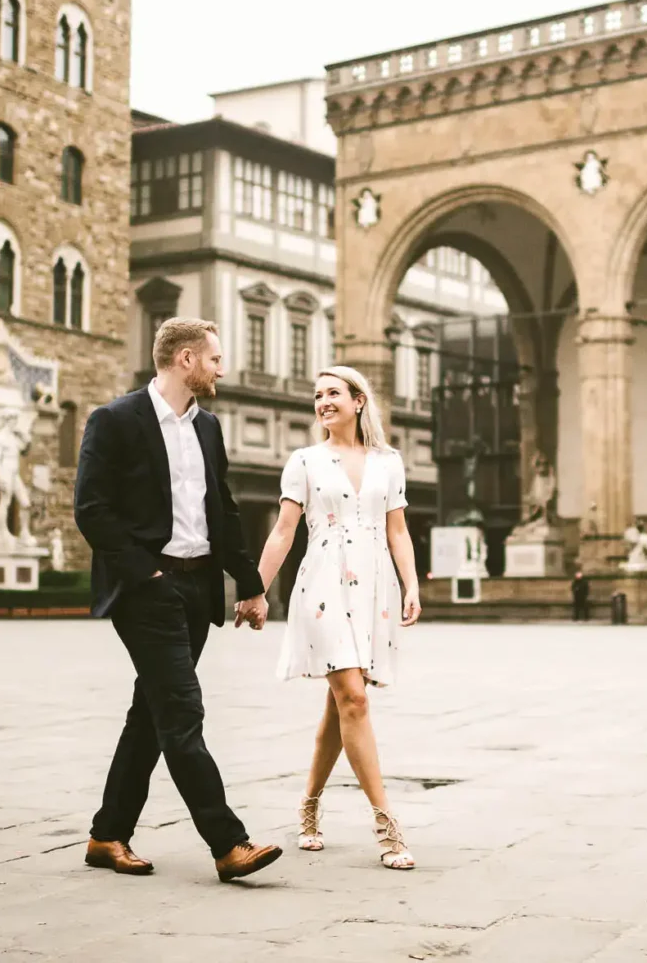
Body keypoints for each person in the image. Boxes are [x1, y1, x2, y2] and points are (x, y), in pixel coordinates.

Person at [73, 318, 281, 884]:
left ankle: (106, 835)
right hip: (148, 590)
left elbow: (225, 513)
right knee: (183, 712)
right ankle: (228, 843)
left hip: (198, 590)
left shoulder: (208, 427)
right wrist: (148, 573)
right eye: (214, 358)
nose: (221, 368)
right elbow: (91, 509)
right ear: (185, 359)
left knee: (152, 715)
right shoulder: (115, 421)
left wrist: (252, 584)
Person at [256, 365, 422, 870]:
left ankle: (308, 806)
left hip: (375, 586)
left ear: (358, 402)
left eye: (333, 393)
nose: (322, 401)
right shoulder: (304, 460)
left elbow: (397, 531)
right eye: (317, 395)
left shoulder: (389, 462)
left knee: (343, 702)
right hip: (324, 583)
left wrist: (412, 583)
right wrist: (256, 589)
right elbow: (284, 531)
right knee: (352, 696)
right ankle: (387, 825)